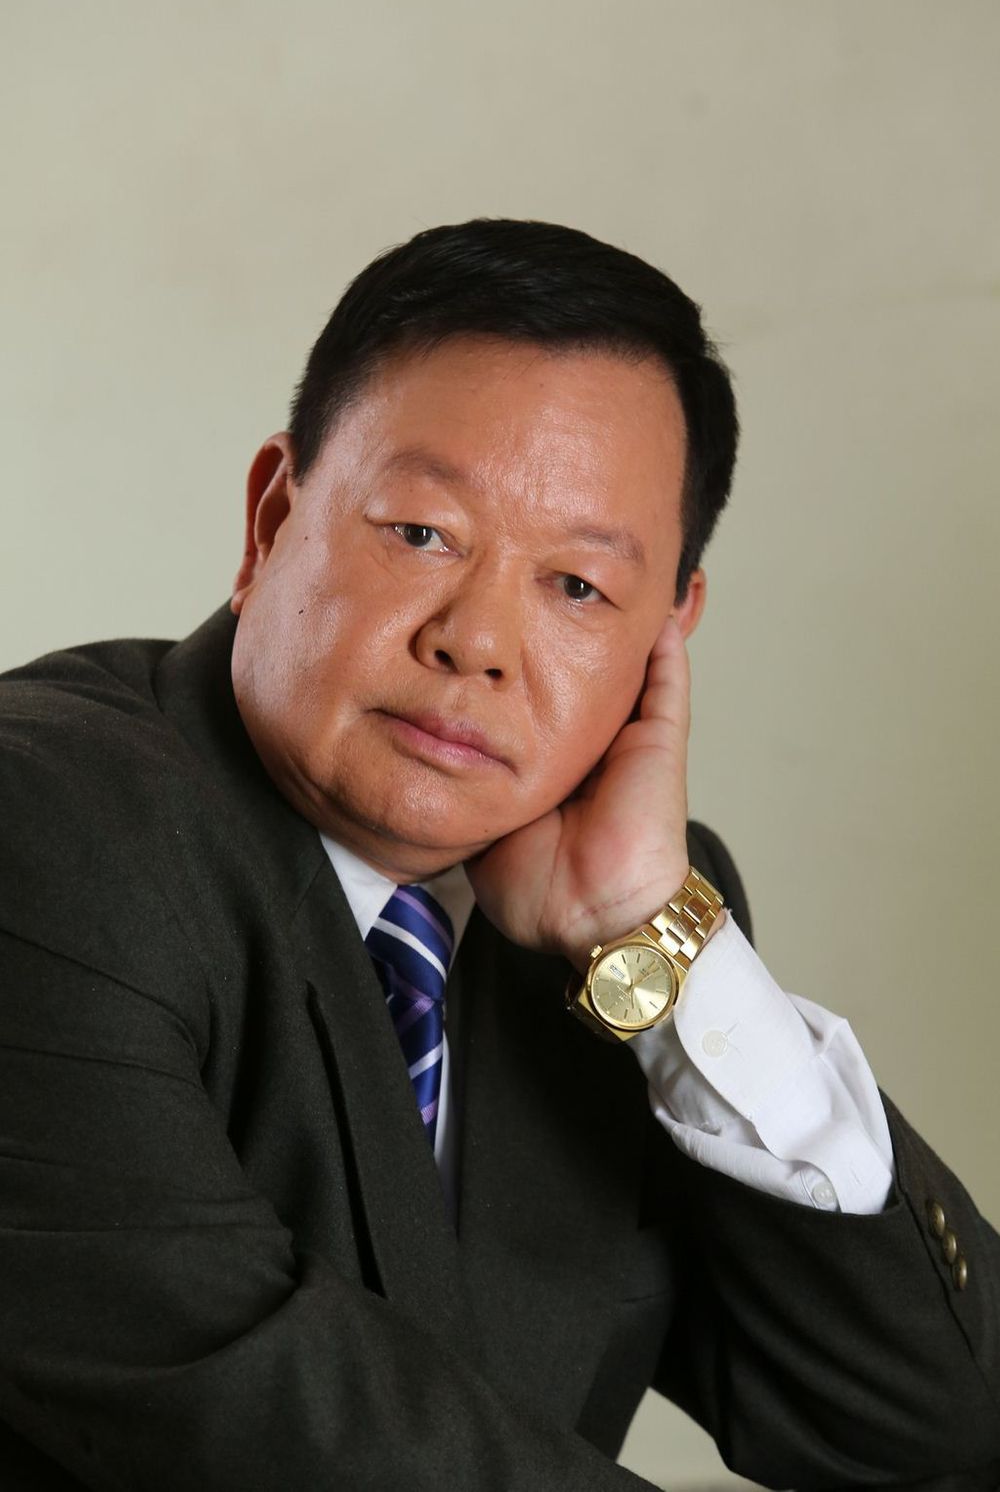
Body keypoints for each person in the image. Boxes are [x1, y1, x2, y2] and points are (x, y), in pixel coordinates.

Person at [0, 218, 996, 1492]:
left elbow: (931, 1424)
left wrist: (654, 939)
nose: (476, 643)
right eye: (422, 533)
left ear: (666, 632)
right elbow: (241, 1404)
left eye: (578, 587)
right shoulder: (47, 823)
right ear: (271, 519)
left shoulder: (617, 928)